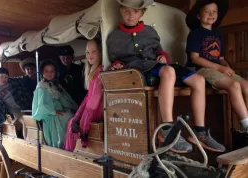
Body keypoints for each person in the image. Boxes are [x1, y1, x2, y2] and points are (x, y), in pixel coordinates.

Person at [106, 0, 225, 153]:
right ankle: (167, 129)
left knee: (199, 80)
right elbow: (116, 59)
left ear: (142, 13)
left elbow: (159, 51)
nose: (130, 15)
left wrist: (162, 56)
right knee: (169, 72)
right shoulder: (114, 37)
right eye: (127, 11)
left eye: (135, 11)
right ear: (121, 11)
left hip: (156, 65)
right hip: (137, 68)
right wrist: (117, 65)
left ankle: (200, 132)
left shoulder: (150, 32)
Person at [186, 0, 248, 133]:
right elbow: (194, 58)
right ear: (198, 15)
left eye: (214, 11)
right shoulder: (195, 33)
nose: (211, 14)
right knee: (234, 85)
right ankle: (247, 126)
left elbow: (221, 59)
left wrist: (226, 67)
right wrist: (219, 68)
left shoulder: (217, 34)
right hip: (202, 70)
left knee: (246, 86)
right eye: (207, 11)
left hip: (218, 69)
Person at [64, 39, 104, 151]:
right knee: (72, 121)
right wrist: (77, 116)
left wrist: (83, 124)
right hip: (92, 109)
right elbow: (88, 98)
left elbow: (93, 103)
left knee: (72, 124)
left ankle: (72, 153)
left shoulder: (100, 71)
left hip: (98, 110)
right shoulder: (92, 71)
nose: (90, 56)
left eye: (94, 51)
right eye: (87, 52)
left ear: (100, 52)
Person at [32, 60, 78, 148]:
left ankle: (73, 142)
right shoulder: (41, 87)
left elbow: (65, 99)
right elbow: (41, 105)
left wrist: (73, 107)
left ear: (55, 72)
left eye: (52, 71)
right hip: (50, 116)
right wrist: (53, 112)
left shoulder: (56, 85)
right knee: (68, 117)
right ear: (42, 72)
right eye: (46, 71)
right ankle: (64, 145)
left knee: (73, 115)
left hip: (59, 111)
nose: (49, 73)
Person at [0, 68, 30, 135]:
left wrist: (29, 74)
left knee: (31, 118)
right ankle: (25, 139)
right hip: (11, 108)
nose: (4, 79)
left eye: (6, 77)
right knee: (23, 120)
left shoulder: (11, 82)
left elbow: (21, 79)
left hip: (22, 104)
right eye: (1, 76)